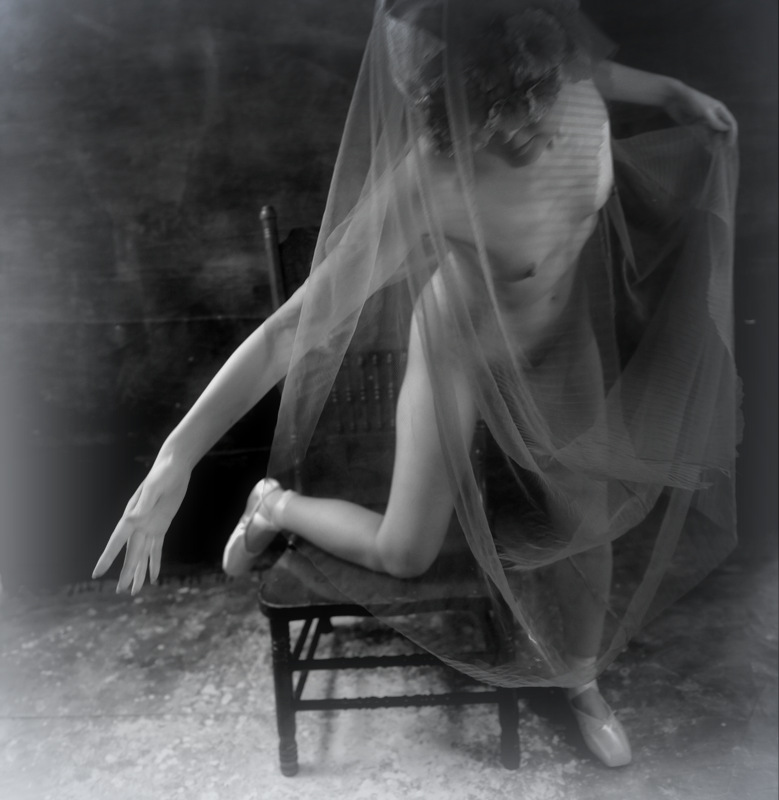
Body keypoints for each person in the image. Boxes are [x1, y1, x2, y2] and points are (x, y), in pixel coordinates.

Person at [93, 0, 739, 769]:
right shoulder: (429, 182)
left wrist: (671, 92)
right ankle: (272, 504)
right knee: (406, 551)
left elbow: (595, 71)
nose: (526, 134)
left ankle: (580, 679)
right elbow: (293, 329)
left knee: (586, 522)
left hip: (561, 340)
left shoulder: (569, 85)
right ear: (447, 111)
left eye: (530, 104)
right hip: (459, 346)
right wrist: (175, 457)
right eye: (486, 122)